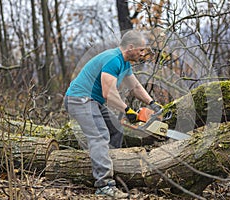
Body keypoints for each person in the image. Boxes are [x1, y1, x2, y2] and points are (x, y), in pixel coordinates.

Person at [64, 30, 162, 199]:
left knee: (116, 130)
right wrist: (127, 110)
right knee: (100, 135)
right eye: (140, 50)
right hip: (80, 99)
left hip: (93, 101)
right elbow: (108, 93)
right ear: (130, 47)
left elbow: (136, 87)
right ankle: (104, 184)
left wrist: (152, 103)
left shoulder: (124, 63)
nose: (142, 53)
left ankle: (111, 169)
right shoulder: (113, 60)